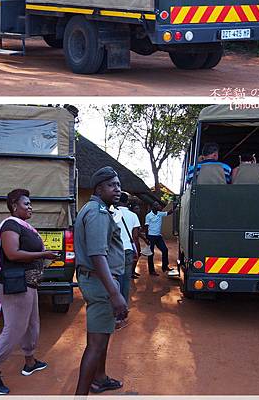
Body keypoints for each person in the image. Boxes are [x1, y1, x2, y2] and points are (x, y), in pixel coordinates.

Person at [0, 189, 59, 395]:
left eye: (31, 203)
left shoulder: (25, 227)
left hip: (28, 282)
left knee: (32, 323)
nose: (30, 207)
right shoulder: (10, 224)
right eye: (26, 203)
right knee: (15, 327)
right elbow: (12, 254)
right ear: (14, 205)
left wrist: (43, 258)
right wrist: (43, 253)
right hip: (14, 284)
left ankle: (30, 361)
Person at [74, 167, 127, 395]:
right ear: (99, 188)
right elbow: (98, 255)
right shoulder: (98, 213)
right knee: (95, 346)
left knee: (100, 337)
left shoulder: (94, 208)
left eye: (118, 184)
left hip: (97, 282)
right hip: (101, 284)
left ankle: (100, 378)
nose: (118, 189)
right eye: (112, 185)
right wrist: (114, 293)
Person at [113, 192, 141, 329]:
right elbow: (135, 237)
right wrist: (137, 251)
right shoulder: (133, 216)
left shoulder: (111, 213)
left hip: (113, 252)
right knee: (125, 282)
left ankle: (112, 312)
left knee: (113, 280)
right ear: (127, 202)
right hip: (128, 251)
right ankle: (121, 315)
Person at [144, 201, 173, 276]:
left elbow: (169, 213)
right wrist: (146, 238)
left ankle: (165, 266)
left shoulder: (160, 214)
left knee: (165, 250)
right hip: (151, 236)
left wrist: (175, 206)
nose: (158, 206)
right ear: (152, 207)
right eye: (156, 205)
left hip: (158, 236)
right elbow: (146, 227)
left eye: (158, 204)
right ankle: (152, 271)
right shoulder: (148, 216)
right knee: (151, 254)